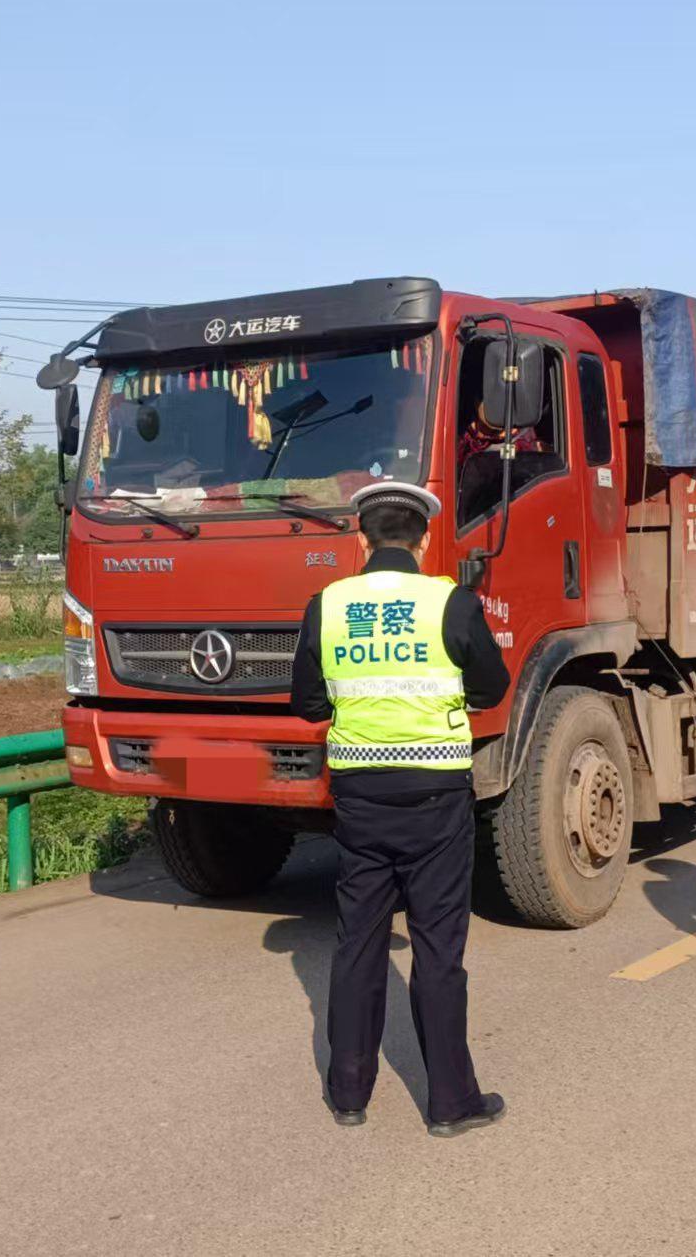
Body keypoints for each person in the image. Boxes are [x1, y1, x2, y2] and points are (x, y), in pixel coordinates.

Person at [289, 482, 512, 1136]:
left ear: (360, 538)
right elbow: (491, 686)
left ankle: (348, 1093)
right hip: (437, 794)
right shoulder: (451, 601)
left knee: (357, 939)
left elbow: (306, 703)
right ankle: (450, 1102)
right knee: (438, 947)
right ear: (422, 540)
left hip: (359, 793)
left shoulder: (326, 606)